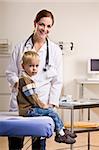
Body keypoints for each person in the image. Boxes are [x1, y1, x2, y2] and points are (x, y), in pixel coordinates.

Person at [6, 9, 76, 150]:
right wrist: (20, 85)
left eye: (48, 26)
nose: (45, 29)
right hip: (20, 105)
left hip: (41, 104)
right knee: (15, 145)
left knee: (39, 146)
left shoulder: (55, 51)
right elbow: (10, 72)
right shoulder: (20, 47)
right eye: (42, 24)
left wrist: (52, 105)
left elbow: (57, 81)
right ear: (35, 23)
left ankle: (60, 132)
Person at [17, 50, 76, 144]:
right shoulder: (24, 80)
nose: (34, 69)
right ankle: (60, 134)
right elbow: (32, 97)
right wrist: (42, 105)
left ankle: (62, 130)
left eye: (36, 66)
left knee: (53, 112)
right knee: (51, 113)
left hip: (30, 108)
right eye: (31, 66)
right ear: (23, 66)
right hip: (27, 110)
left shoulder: (28, 79)